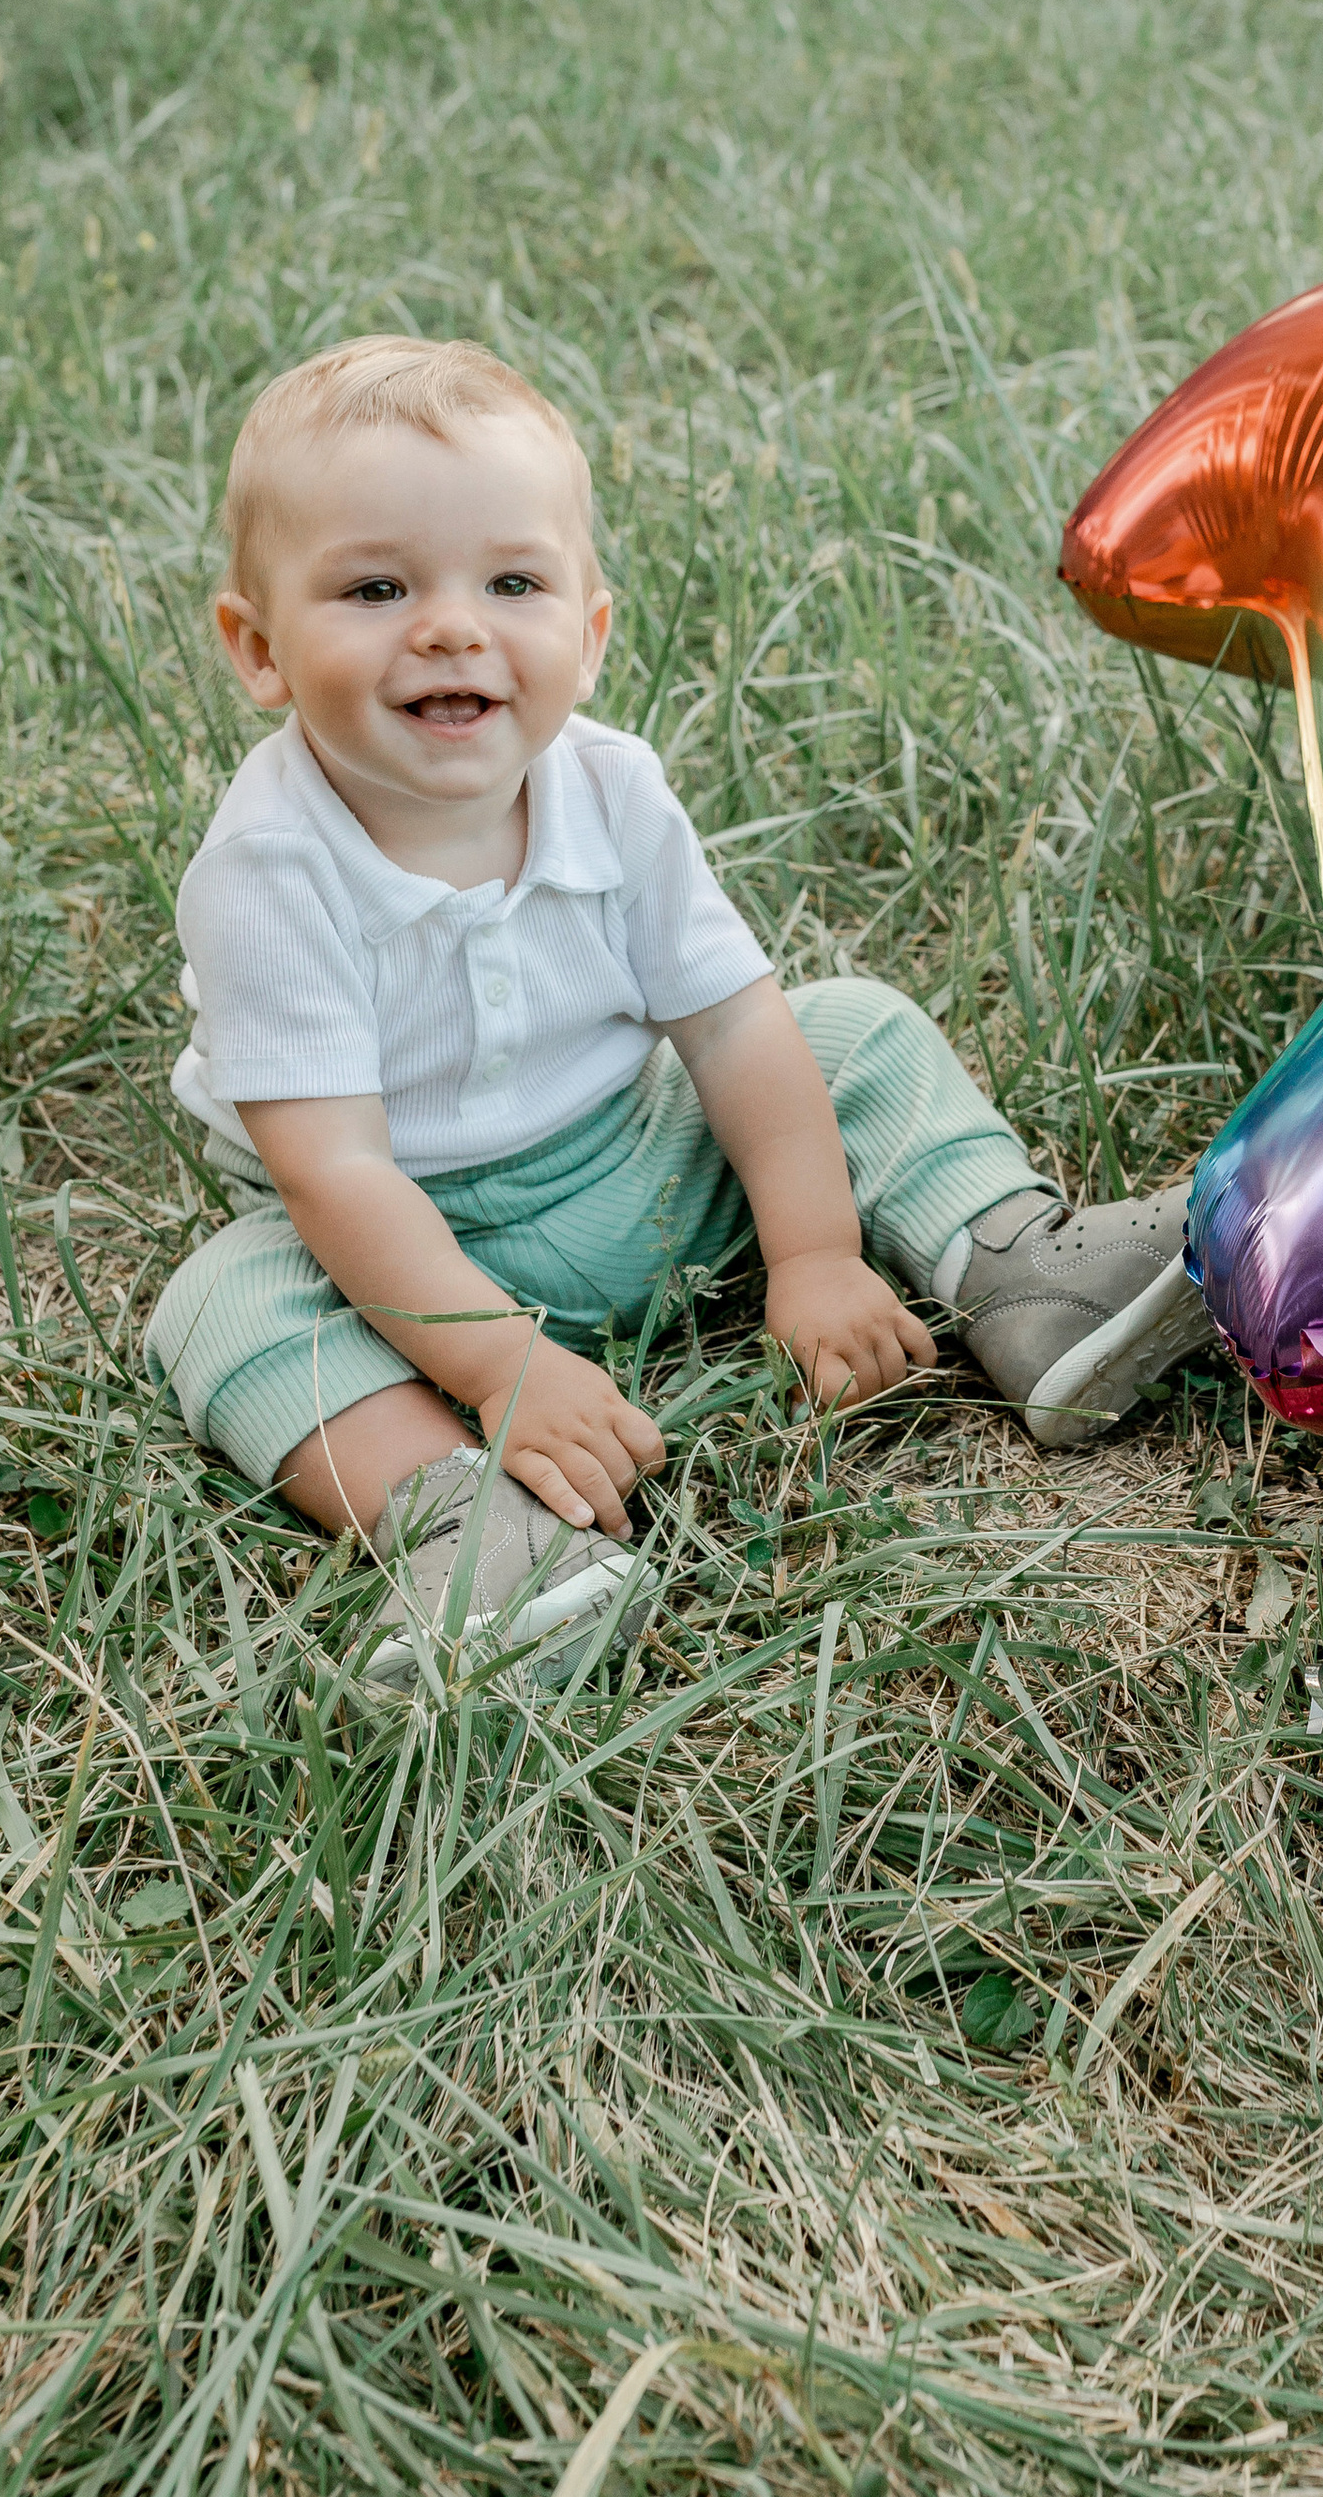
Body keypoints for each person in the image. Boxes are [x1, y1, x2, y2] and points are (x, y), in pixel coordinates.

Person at [145, 337, 1204, 1693]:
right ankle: (479, 1522)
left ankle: (1024, 1278)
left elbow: (732, 1030)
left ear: (587, 636)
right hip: (390, 1252)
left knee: (846, 1028)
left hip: (641, 1176)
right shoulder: (268, 870)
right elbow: (333, 1169)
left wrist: (814, 1253)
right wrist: (501, 1365)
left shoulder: (612, 789)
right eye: (375, 587)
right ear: (258, 648)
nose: (452, 626)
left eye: (511, 582)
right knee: (222, 1304)